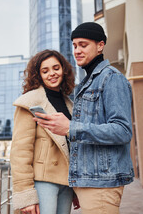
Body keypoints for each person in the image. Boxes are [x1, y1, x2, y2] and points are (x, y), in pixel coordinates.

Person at [33, 22, 134, 214]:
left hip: (102, 184)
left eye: (83, 44)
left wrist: (71, 128)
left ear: (100, 45)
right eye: (74, 45)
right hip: (88, 182)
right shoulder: (85, 84)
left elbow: (122, 131)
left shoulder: (111, 78)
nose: (77, 50)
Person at [10, 49, 79, 214]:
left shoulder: (70, 104)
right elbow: (20, 151)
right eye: (45, 70)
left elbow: (72, 147)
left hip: (66, 182)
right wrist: (26, 194)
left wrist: (76, 187)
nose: (52, 74)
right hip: (43, 182)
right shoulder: (29, 102)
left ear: (64, 70)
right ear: (38, 75)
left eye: (56, 68)